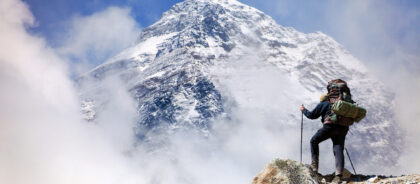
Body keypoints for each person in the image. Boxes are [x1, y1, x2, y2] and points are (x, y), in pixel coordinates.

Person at [300, 94, 348, 182]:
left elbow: (312, 115)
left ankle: (314, 167)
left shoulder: (324, 104)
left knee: (314, 140)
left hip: (330, 126)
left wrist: (303, 110)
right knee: (338, 148)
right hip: (343, 128)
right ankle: (339, 175)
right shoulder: (340, 105)